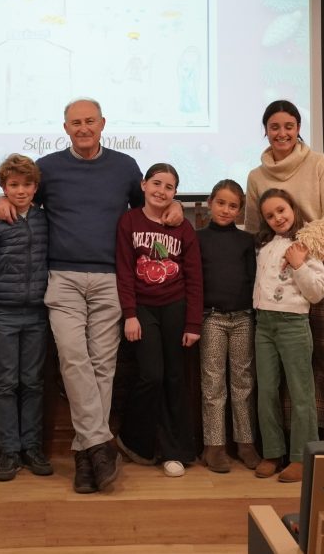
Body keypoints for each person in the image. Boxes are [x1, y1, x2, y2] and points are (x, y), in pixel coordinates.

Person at [0, 97, 183, 493]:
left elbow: (144, 208)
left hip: (111, 278)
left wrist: (174, 204)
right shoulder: (49, 169)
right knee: (73, 360)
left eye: (89, 121)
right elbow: (24, 197)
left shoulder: (126, 168)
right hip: (61, 279)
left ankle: (85, 454)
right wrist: (4, 199)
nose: (83, 128)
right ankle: (100, 444)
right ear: (65, 129)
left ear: (102, 124)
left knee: (102, 366)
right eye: (75, 122)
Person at [245, 100, 324, 439]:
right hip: (279, 271)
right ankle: (293, 441)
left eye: (289, 126)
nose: (282, 133)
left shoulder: (320, 163)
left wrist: (302, 247)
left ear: (298, 128)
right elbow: (252, 227)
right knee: (290, 364)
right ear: (266, 130)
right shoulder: (256, 176)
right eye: (275, 127)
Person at [114, 163, 203, 478]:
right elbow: (124, 271)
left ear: (175, 193)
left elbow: (194, 278)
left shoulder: (183, 228)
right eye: (156, 183)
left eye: (169, 187)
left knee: (174, 379)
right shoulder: (129, 222)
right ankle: (134, 440)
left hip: (175, 309)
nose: (161, 191)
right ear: (143, 185)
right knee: (151, 375)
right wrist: (130, 314)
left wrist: (193, 324)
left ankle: (174, 451)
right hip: (143, 310)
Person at [0, 154, 52, 482]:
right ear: (3, 187)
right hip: (2, 315)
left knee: (32, 383)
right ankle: (8, 449)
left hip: (37, 314)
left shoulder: (45, 219)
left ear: (36, 187)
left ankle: (31, 446)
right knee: (5, 384)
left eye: (27, 184)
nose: (20, 191)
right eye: (13, 185)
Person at [252, 189, 324, 483]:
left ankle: (300, 456)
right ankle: (272, 452)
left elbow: (318, 292)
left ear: (293, 209)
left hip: (293, 324)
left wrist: (298, 264)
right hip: (264, 323)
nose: (277, 218)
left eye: (281, 210)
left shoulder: (306, 245)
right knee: (267, 390)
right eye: (270, 215)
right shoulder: (263, 245)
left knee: (300, 393)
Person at [196, 179, 260, 473]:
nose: (225, 209)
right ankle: (214, 447)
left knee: (243, 384)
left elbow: (252, 281)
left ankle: (245, 444)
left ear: (240, 210)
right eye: (220, 203)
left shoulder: (246, 241)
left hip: (243, 318)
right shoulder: (198, 239)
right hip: (212, 319)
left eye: (233, 205)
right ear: (210, 203)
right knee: (213, 385)